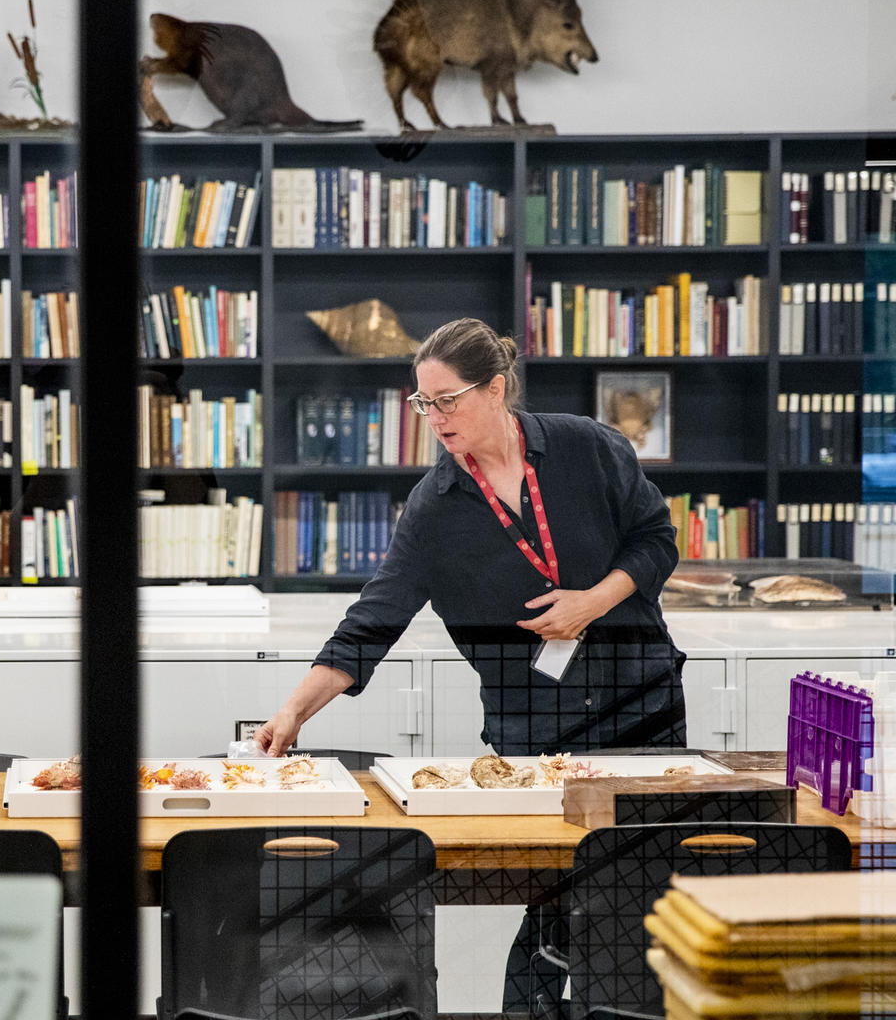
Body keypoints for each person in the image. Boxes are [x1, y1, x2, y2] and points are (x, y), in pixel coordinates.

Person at [258, 317, 687, 760]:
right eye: (426, 404)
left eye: (448, 401)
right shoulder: (432, 509)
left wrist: (593, 602)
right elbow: (371, 622)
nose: (436, 420)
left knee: (649, 830)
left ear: (495, 389)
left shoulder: (587, 446)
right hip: (535, 730)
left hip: (644, 703)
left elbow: (656, 539)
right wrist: (294, 711)